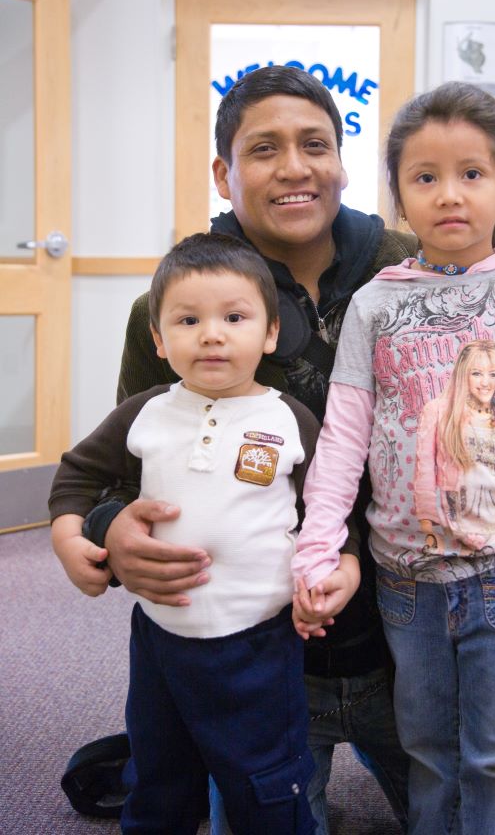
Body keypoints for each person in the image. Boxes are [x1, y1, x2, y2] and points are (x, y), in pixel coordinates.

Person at [50, 65, 414, 834]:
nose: (293, 167)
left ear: (341, 160)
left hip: (402, 625)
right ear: (224, 171)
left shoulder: (407, 267)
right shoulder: (175, 305)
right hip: (247, 647)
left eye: (315, 144)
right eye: (263, 149)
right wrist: (108, 529)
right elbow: (117, 466)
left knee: (467, 808)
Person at [292, 81, 495, 834]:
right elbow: (343, 436)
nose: (448, 194)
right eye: (424, 177)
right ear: (398, 194)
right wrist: (317, 546)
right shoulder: (375, 305)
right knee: (428, 750)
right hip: (406, 579)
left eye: (471, 173)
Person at [49, 232, 319, 834]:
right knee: (158, 776)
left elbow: (335, 508)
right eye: (188, 320)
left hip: (258, 643)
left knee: (267, 783)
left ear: (270, 332)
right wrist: (73, 541)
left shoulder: (288, 419)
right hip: (160, 637)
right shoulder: (145, 411)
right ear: (158, 338)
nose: (212, 334)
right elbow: (78, 474)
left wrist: (339, 564)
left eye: (234, 317)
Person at [415, 339, 495, 556]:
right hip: (460, 516)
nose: (485, 383)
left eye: (493, 375)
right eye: (477, 374)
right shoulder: (437, 410)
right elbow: (423, 471)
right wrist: (427, 524)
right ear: (463, 375)